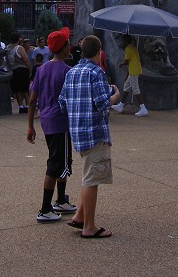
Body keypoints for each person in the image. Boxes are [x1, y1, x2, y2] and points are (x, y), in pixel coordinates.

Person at [59, 35, 120, 238]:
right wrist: (115, 96)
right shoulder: (96, 72)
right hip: (95, 131)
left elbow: (62, 101)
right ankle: (89, 227)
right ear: (99, 51)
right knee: (91, 179)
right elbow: (102, 103)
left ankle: (79, 216)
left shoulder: (72, 72)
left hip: (78, 131)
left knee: (88, 173)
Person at [27, 26, 77, 223]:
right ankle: (45, 208)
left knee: (61, 161)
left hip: (47, 121)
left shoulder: (42, 69)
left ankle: (60, 200)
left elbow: (32, 100)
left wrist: (30, 125)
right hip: (61, 121)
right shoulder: (68, 71)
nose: (70, 47)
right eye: (68, 44)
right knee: (56, 163)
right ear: (63, 48)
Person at [110, 35, 148, 117]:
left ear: (126, 41)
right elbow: (132, 62)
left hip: (133, 71)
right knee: (126, 86)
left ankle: (143, 108)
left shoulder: (128, 49)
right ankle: (121, 105)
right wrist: (128, 74)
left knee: (135, 88)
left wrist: (121, 64)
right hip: (134, 70)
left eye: (123, 41)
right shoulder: (133, 48)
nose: (122, 42)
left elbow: (127, 61)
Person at [7, 32, 32, 113]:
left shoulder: (7, 48)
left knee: (17, 90)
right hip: (22, 69)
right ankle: (28, 106)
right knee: (25, 90)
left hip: (13, 70)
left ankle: (21, 106)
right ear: (18, 39)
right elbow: (26, 60)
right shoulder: (19, 48)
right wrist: (30, 68)